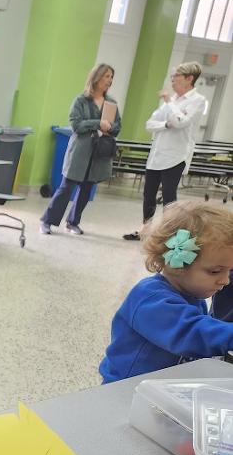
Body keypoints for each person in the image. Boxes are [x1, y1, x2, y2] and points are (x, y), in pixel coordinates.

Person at [100, 200, 233, 383]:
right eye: (215, 271)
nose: (225, 280)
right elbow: (192, 333)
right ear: (178, 264)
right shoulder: (150, 299)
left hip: (160, 387)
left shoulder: (194, 297)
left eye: (229, 271)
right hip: (125, 390)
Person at [123, 62, 208, 241]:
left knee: (169, 196)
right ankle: (145, 229)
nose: (172, 80)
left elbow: (181, 122)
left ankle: (170, 234)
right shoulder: (173, 101)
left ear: (189, 79)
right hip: (157, 154)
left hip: (176, 155)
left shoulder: (197, 101)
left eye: (176, 77)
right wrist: (166, 124)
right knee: (148, 194)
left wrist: (169, 104)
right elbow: (150, 124)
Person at [41, 63, 120, 236]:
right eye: (107, 76)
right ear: (97, 77)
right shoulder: (81, 100)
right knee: (66, 188)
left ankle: (73, 222)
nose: (110, 80)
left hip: (99, 153)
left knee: (87, 188)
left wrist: (110, 127)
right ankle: (47, 221)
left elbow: (117, 127)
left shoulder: (112, 103)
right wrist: (97, 123)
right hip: (80, 151)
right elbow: (76, 125)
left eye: (111, 77)